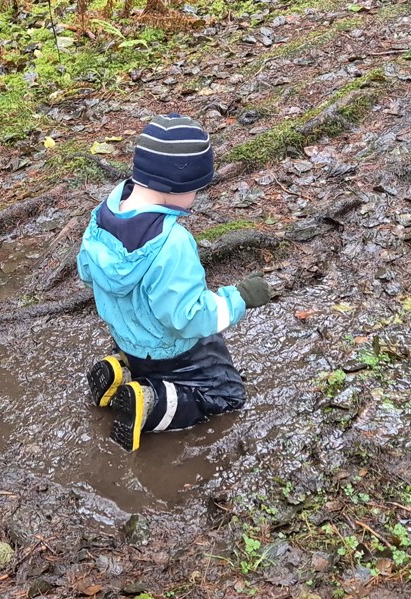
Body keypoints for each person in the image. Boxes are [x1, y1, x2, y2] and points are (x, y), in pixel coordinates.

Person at [76, 113, 270, 452]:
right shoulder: (172, 244)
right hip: (173, 351)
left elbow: (85, 271)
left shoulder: (103, 216)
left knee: (143, 361)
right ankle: (150, 406)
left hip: (126, 338)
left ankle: (120, 370)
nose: (196, 197)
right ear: (176, 188)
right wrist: (239, 298)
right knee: (226, 394)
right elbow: (189, 318)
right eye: (195, 189)